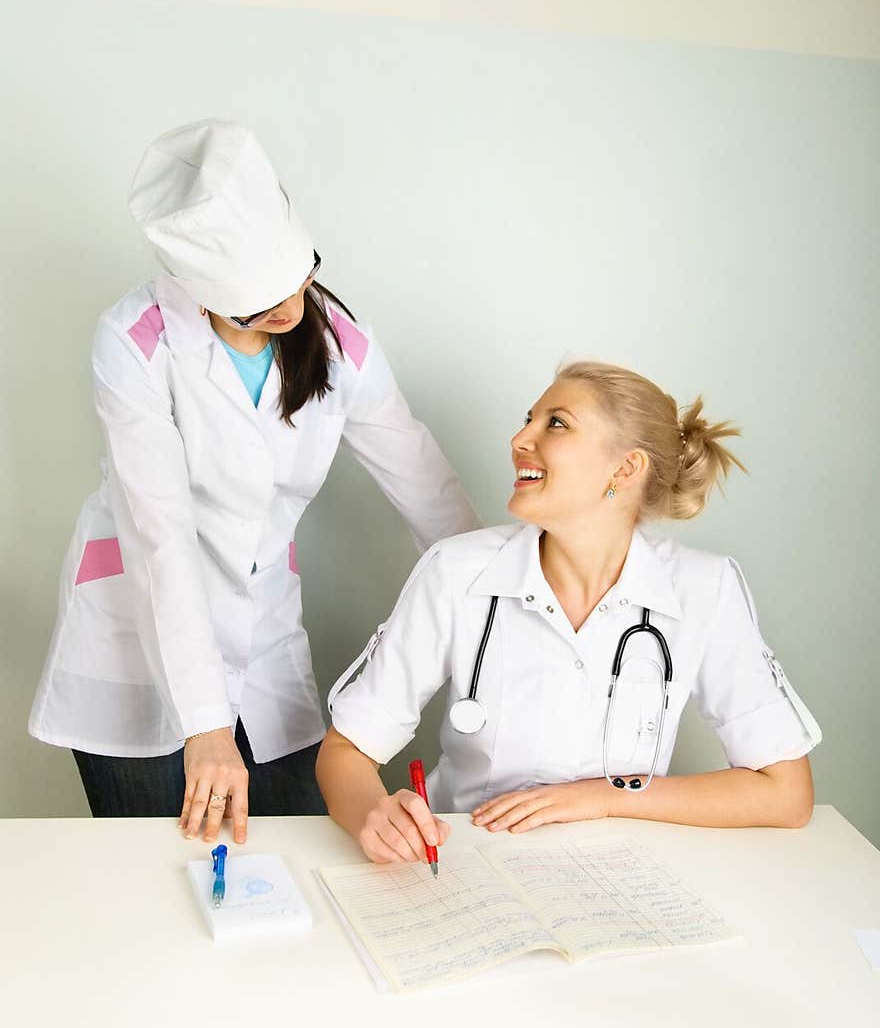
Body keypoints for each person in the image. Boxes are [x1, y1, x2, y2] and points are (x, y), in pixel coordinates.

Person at [29, 120, 480, 844]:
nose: (286, 310)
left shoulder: (335, 340)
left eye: (294, 281)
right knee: (167, 875)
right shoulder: (134, 341)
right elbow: (160, 535)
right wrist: (204, 723)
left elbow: (426, 484)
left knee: (297, 859)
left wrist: (500, 615)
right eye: (254, 303)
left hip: (263, 637)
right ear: (194, 287)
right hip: (137, 640)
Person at [316, 360, 820, 864]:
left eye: (555, 423)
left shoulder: (704, 588)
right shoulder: (455, 571)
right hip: (471, 865)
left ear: (625, 469)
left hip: (622, 874)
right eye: (529, 419)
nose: (519, 439)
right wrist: (373, 815)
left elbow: (786, 792)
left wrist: (601, 797)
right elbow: (345, 754)